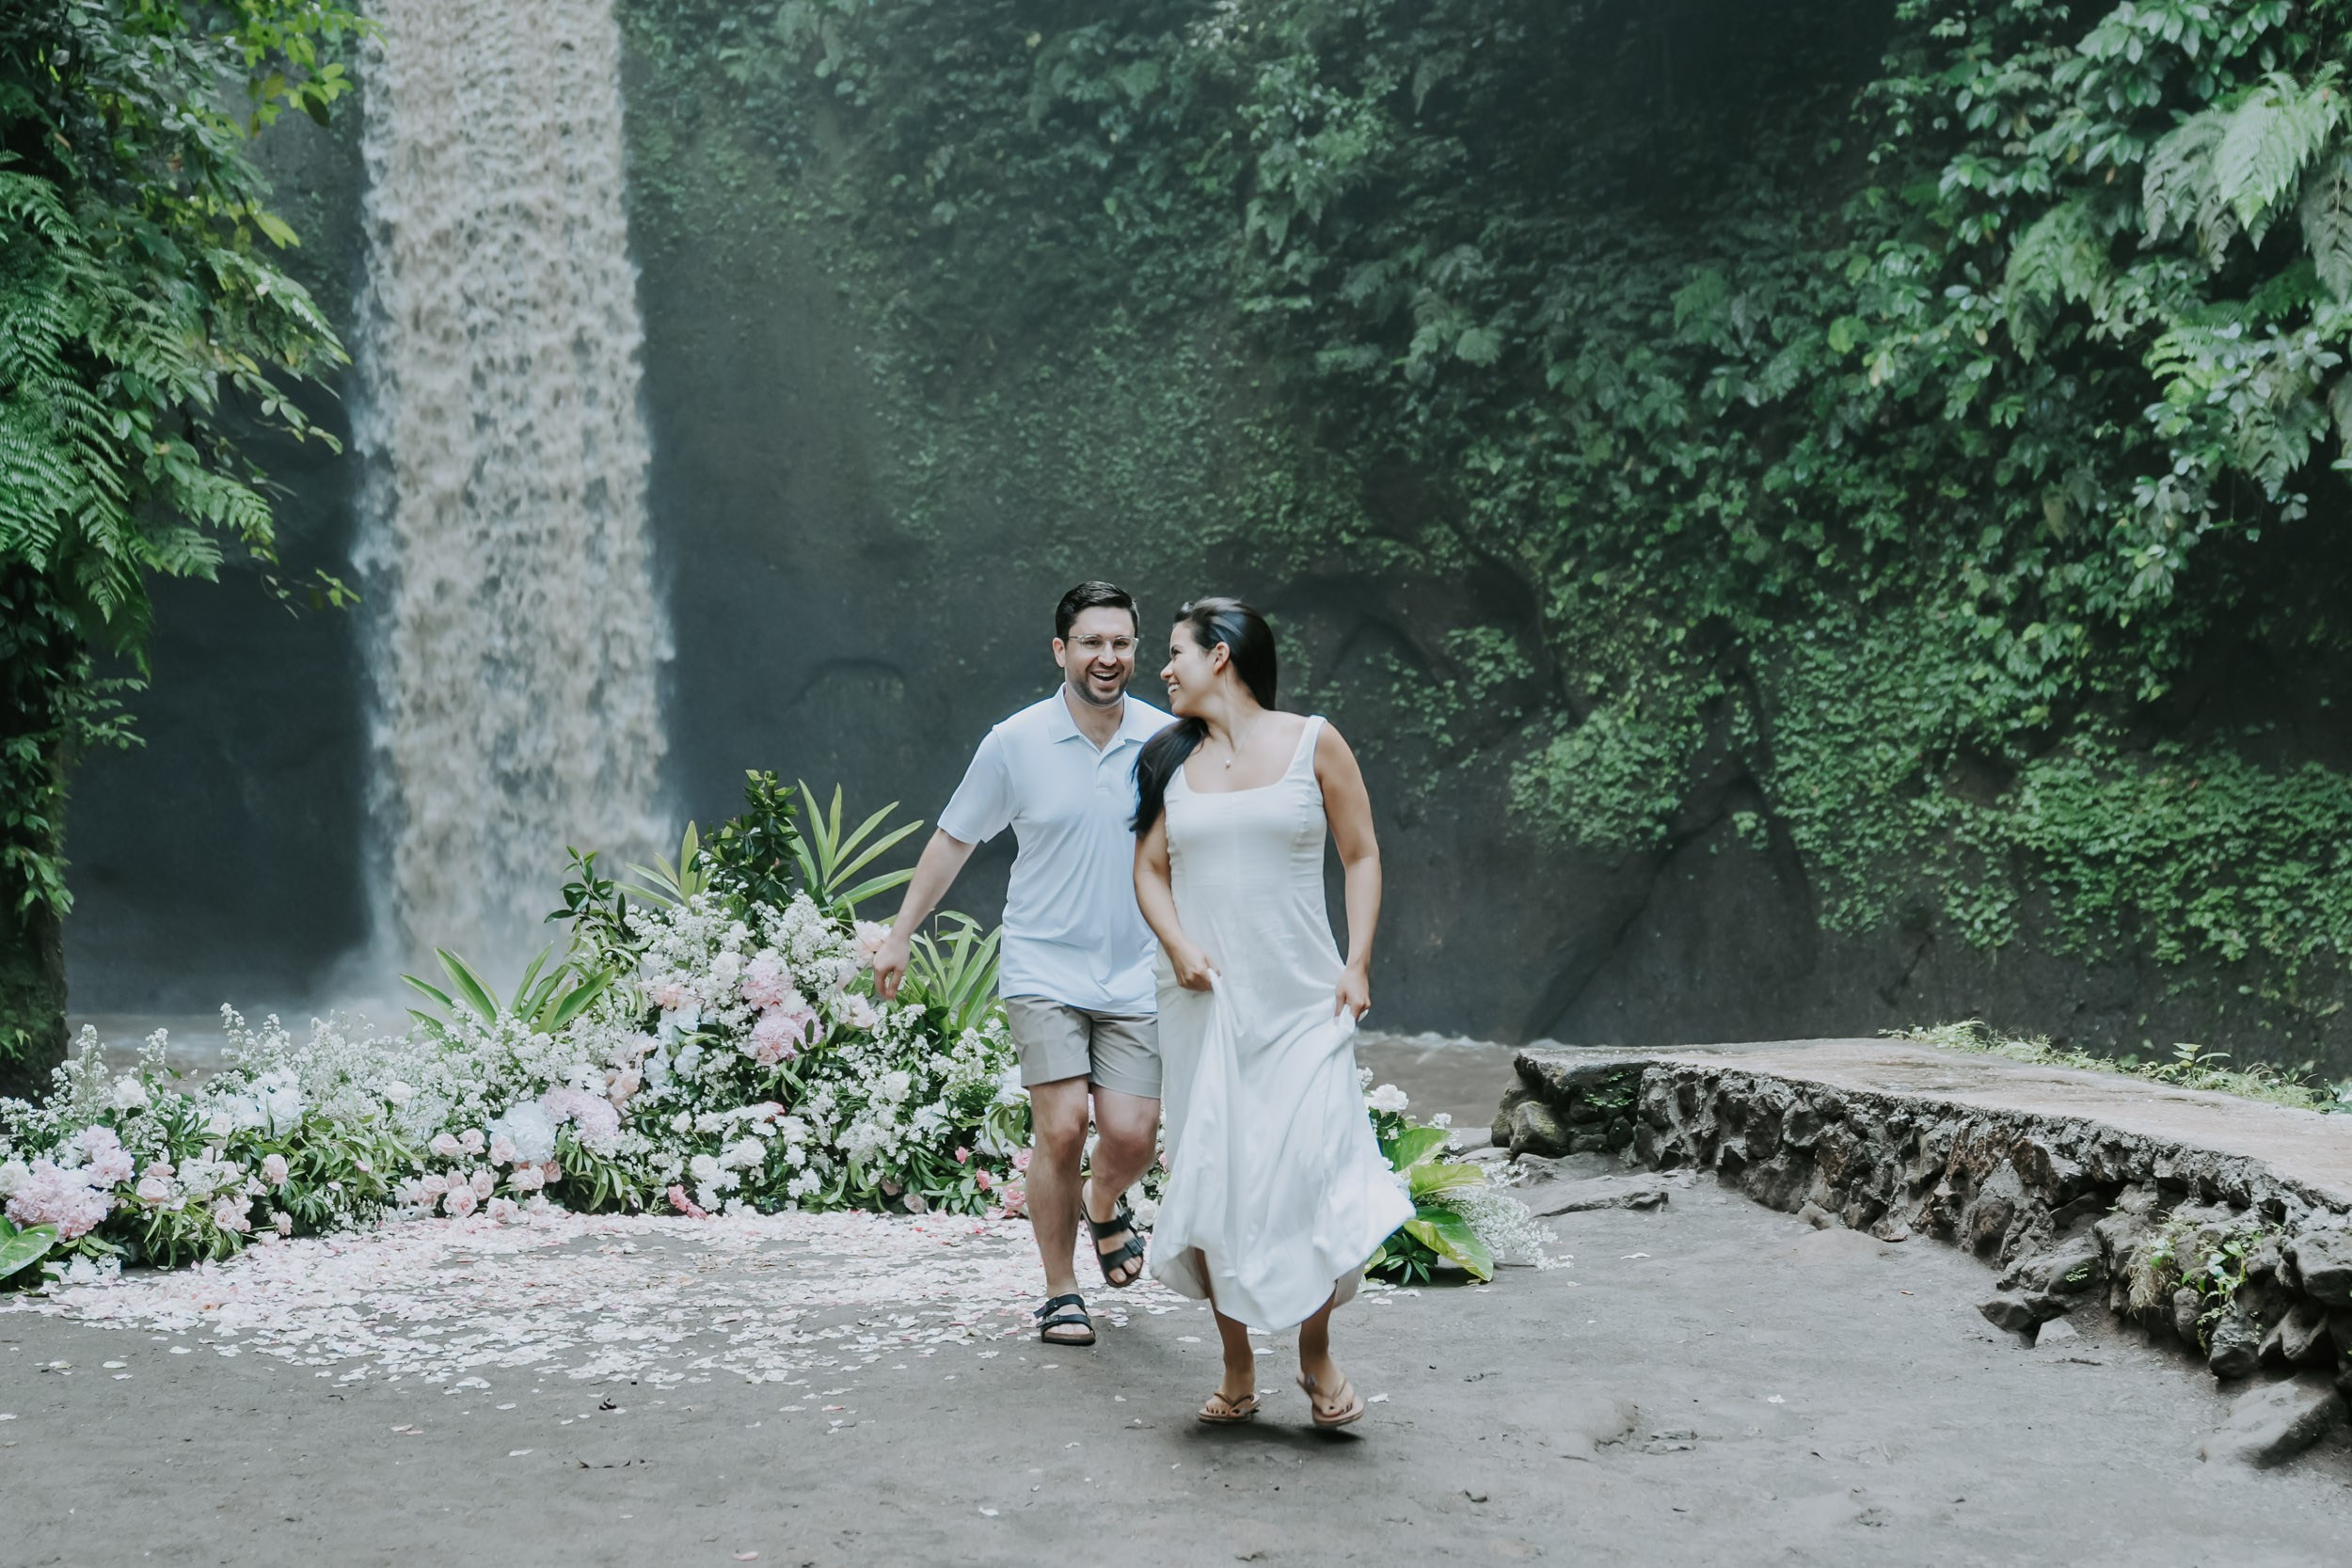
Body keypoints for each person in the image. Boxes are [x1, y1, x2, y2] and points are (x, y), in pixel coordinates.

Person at [1132, 596, 1411, 1430]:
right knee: (1217, 1178)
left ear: (1220, 656)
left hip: (1303, 998)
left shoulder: (1313, 741)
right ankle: (1237, 1363)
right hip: (1206, 1004)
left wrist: (1357, 958)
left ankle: (1316, 1351)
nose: (1164, 667)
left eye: (1175, 652)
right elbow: (1147, 871)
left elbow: (1360, 853)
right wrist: (1178, 944)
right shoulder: (1165, 759)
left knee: (1317, 1176)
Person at [871, 581, 1173, 1348]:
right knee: (1064, 1125)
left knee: (1133, 1137)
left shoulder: (1171, 739)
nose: (1108, 657)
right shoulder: (1015, 741)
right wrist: (901, 932)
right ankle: (1060, 1288)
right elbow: (954, 839)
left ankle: (1105, 1202)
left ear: (1136, 649)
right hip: (1043, 963)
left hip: (1136, 968)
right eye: (1092, 643)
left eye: (1121, 643)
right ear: (1060, 650)